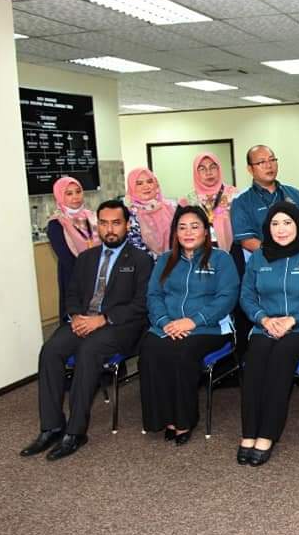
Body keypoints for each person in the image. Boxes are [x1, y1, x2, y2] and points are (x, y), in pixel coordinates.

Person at [20, 200, 153, 461]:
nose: (109, 229)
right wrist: (75, 317)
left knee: (88, 351)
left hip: (119, 326)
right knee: (50, 351)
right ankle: (51, 426)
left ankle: (75, 432)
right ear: (97, 225)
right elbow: (71, 294)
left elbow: (141, 304)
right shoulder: (86, 258)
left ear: (127, 225)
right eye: (103, 223)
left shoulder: (141, 260)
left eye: (116, 223)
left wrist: (103, 319)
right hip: (82, 321)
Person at [238, 201, 299, 466]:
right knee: (255, 357)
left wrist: (293, 319)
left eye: (287, 223)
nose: (281, 229)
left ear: (298, 225)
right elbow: (246, 296)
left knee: (282, 355)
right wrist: (264, 319)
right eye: (275, 224)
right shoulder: (259, 257)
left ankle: (267, 434)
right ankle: (249, 432)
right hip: (265, 325)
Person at [139, 206, 239, 445]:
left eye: (195, 227)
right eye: (182, 228)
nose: (188, 232)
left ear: (205, 231)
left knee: (182, 353)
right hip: (167, 325)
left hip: (209, 328)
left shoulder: (221, 258)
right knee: (150, 350)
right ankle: (164, 418)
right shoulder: (165, 260)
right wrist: (165, 322)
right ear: (175, 233)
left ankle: (184, 421)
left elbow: (227, 298)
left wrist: (193, 321)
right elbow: (154, 295)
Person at [229, 144, 299, 358]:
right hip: (263, 268)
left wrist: (296, 255)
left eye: (272, 160)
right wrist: (279, 252)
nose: (269, 165)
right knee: (263, 340)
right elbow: (246, 240)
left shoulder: (293, 194)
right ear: (250, 169)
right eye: (261, 162)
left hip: (298, 267)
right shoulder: (242, 202)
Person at [46, 177, 99, 321]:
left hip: (98, 272)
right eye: (69, 193)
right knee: (76, 317)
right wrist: (88, 272)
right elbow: (66, 257)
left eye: (78, 191)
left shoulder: (92, 217)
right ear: (59, 196)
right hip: (73, 275)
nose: (75, 197)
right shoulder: (57, 223)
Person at [182, 152, 238, 251]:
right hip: (199, 252)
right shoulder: (188, 200)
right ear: (196, 173)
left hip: (232, 251)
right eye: (202, 169)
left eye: (213, 167)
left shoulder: (234, 195)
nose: (208, 172)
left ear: (219, 169)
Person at [124, 168, 176, 259]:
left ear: (156, 184)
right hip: (145, 263)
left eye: (149, 182)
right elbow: (134, 246)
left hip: (174, 261)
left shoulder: (169, 208)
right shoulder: (130, 214)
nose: (146, 187)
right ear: (132, 187)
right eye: (139, 183)